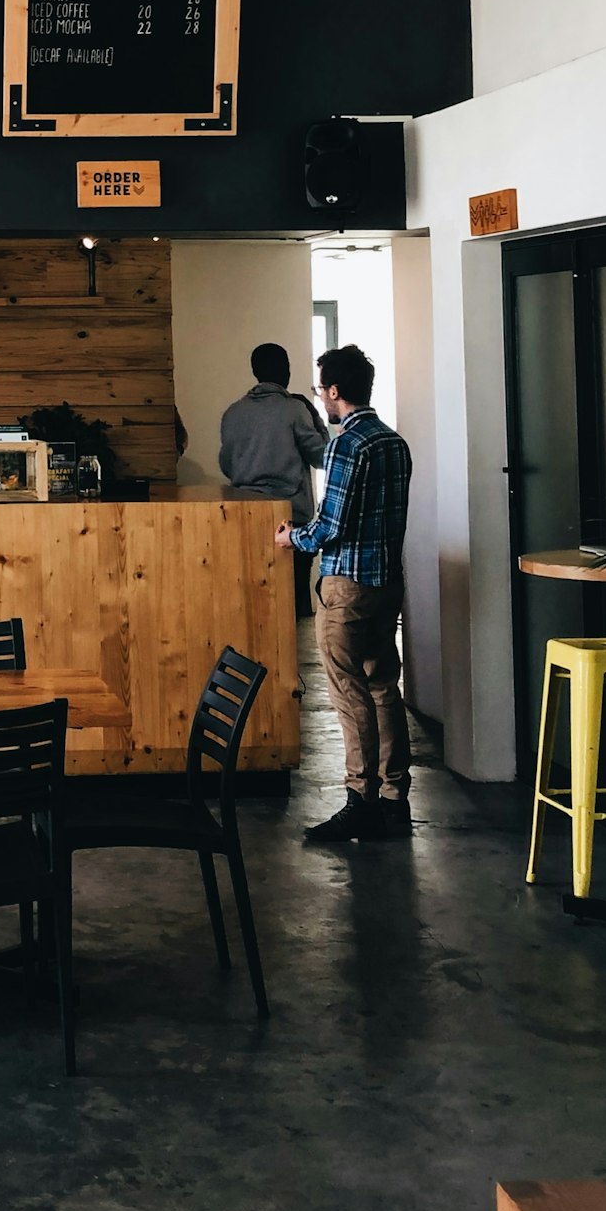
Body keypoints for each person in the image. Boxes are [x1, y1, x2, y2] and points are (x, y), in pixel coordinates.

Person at [277, 342, 414, 846]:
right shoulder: (394, 443)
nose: (322, 398)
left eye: (321, 391)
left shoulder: (345, 445)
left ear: (334, 392)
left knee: (347, 689)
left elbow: (330, 526)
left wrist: (292, 537)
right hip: (386, 582)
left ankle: (361, 801)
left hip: (347, 587)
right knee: (383, 687)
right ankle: (396, 800)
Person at [219, 343, 327, 612]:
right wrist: (316, 417)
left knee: (254, 603)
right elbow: (323, 456)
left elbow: (227, 465)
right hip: (291, 519)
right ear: (285, 371)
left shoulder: (233, 412)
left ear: (255, 372)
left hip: (244, 515)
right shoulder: (294, 409)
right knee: (295, 605)